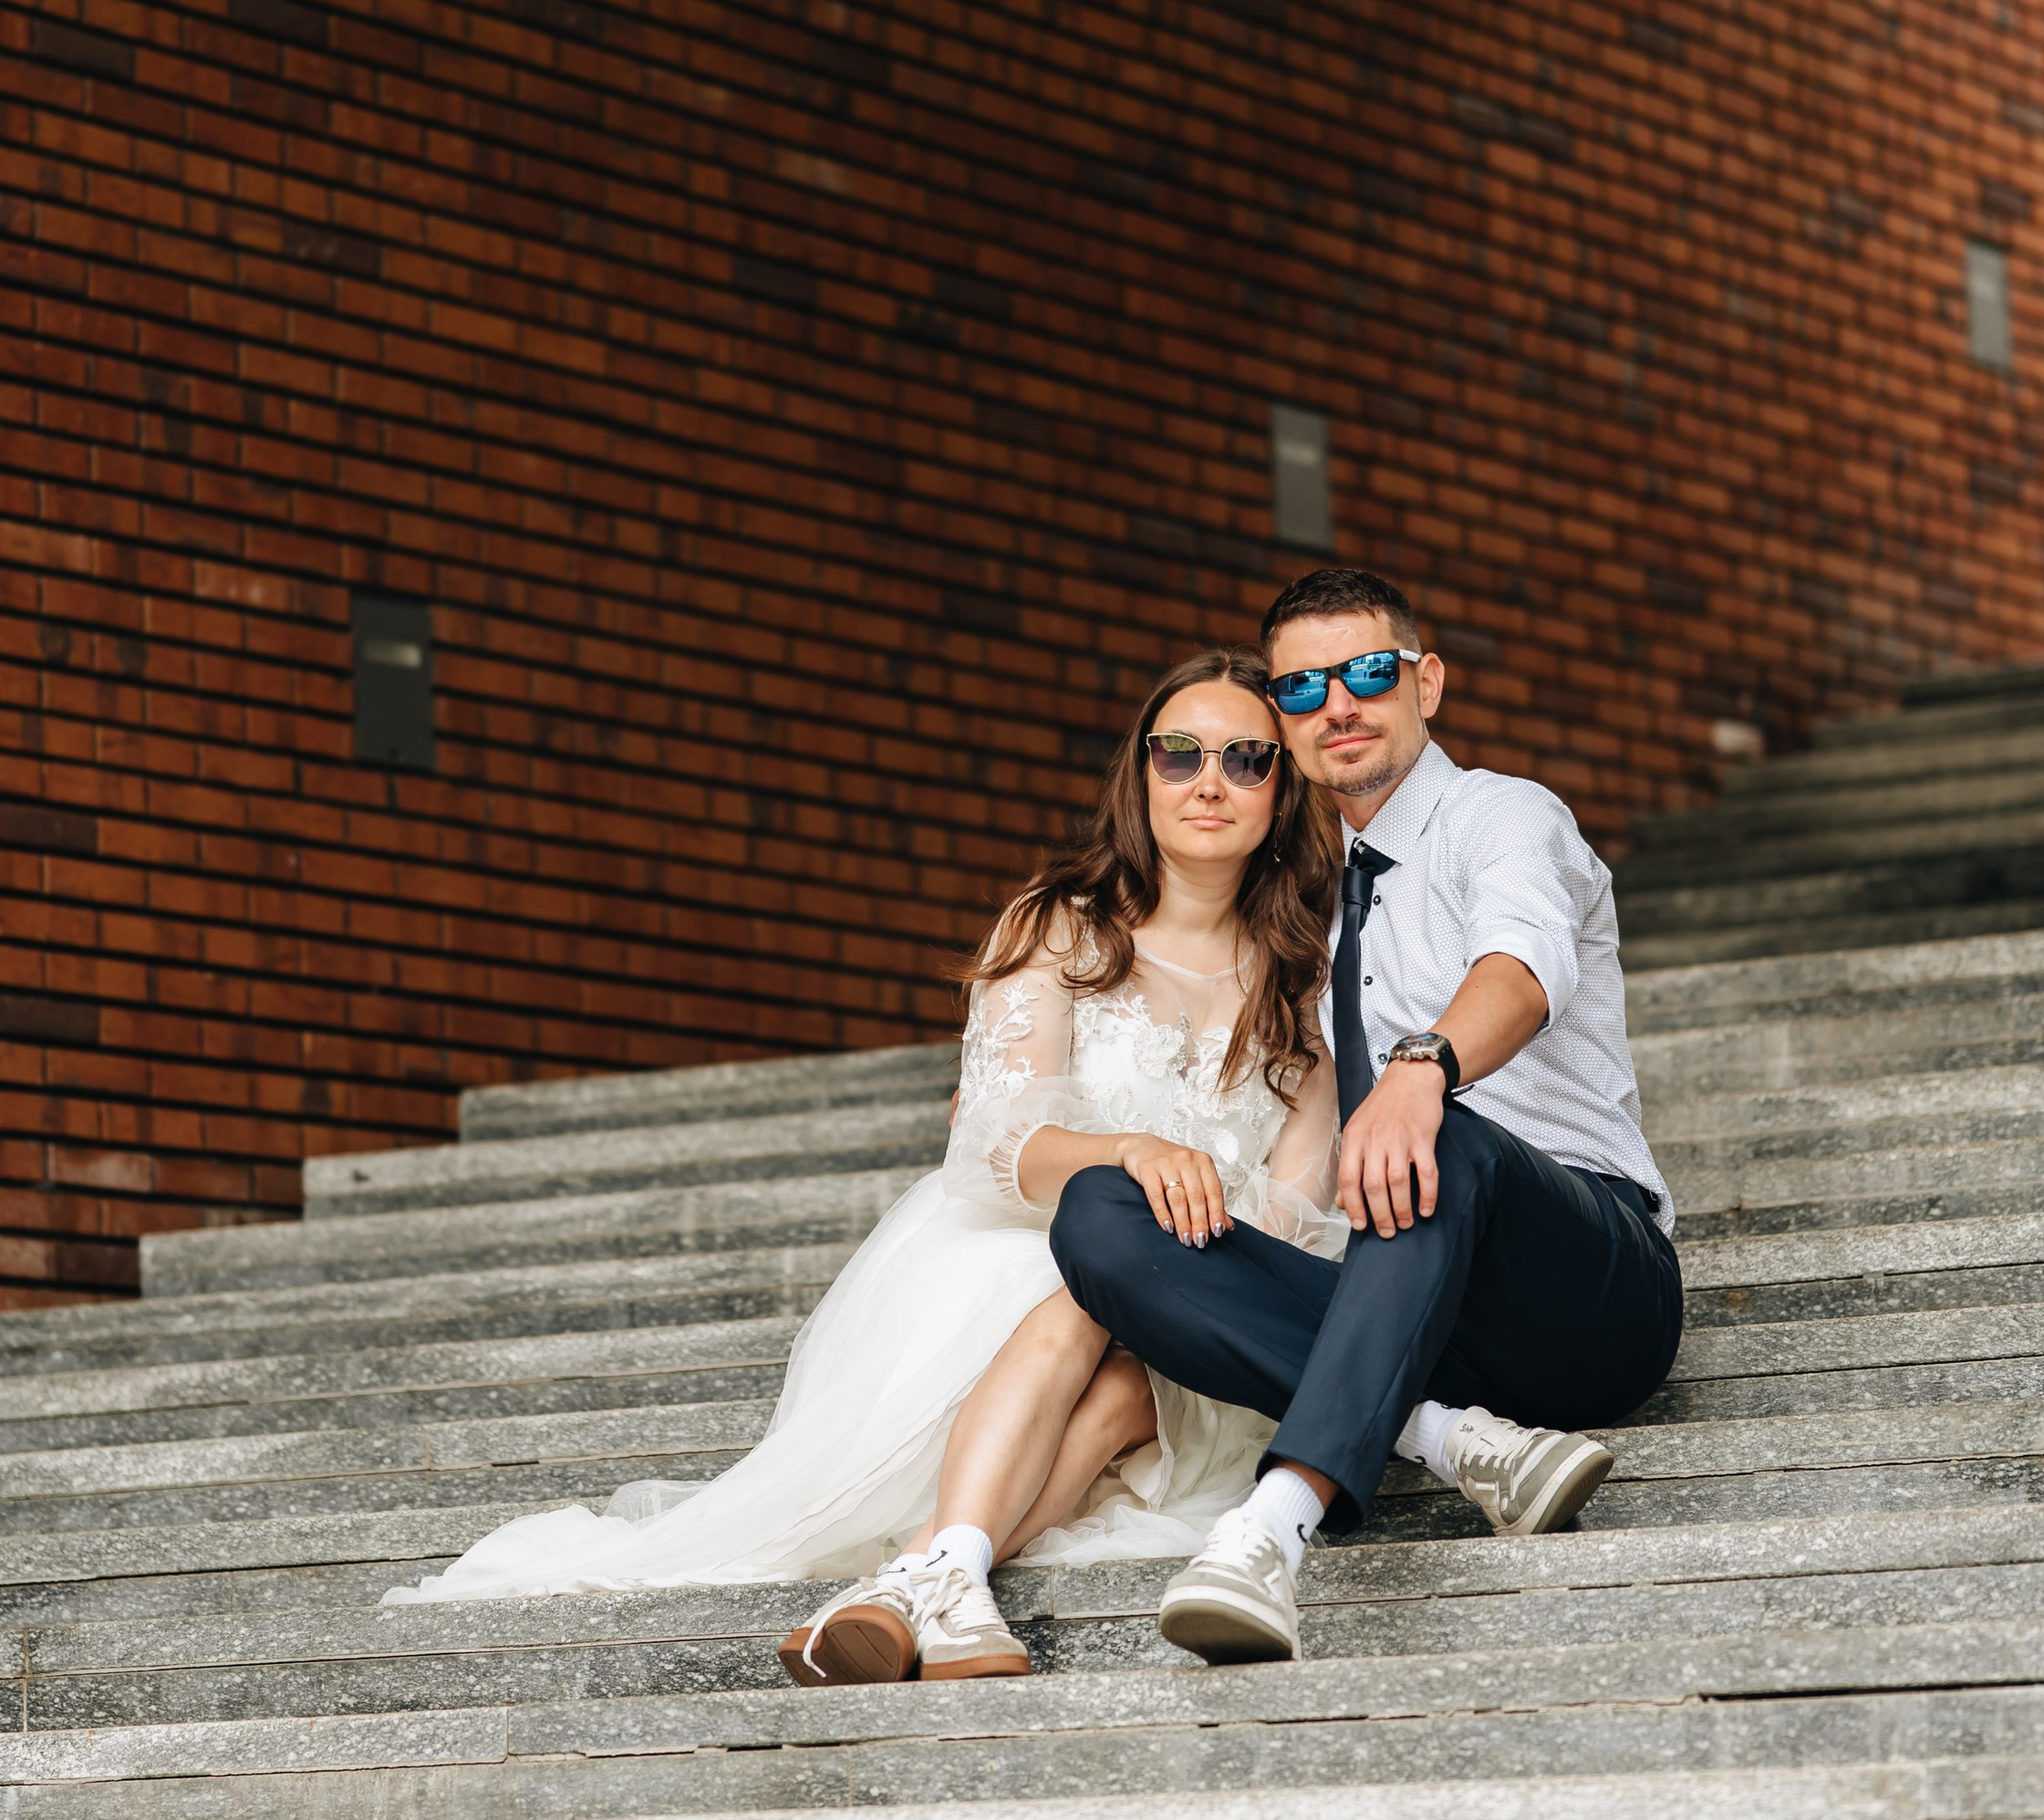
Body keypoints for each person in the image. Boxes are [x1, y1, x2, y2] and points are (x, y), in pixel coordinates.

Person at [386, 650, 1348, 1685]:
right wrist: (1131, 1152)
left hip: (1192, 1308)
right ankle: (936, 1568)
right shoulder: (1060, 922)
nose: (1209, 781)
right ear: (1140, 772)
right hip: (1020, 1253)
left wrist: (1190, 1266)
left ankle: (922, 1575)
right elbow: (992, 1142)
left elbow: (1293, 1214)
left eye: (1246, 758)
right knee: (1089, 1299)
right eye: (1179, 753)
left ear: (1281, 788)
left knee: (1128, 1377)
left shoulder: (1303, 986)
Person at [1050, 562, 1682, 1666]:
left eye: (1369, 672)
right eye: (1302, 688)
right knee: (1102, 1213)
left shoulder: (1502, 816)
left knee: (1431, 1136)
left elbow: (1521, 961)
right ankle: (1455, 1440)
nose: (1336, 704)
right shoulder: (1307, 894)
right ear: (1285, 723)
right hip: (1416, 1306)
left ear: (1425, 683)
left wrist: (1423, 1066)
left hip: (1587, 1278)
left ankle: (1270, 1528)